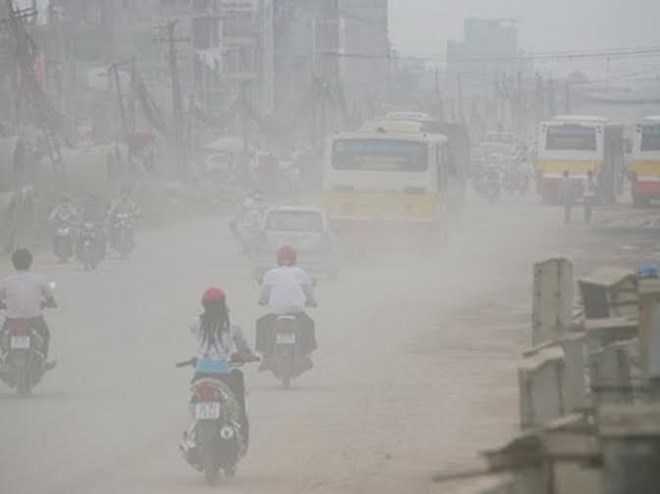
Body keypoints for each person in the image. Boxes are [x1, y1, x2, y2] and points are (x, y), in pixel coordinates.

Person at [189, 287, 256, 444]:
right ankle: (242, 437)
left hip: (200, 375)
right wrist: (248, 357)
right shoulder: (233, 326)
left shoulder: (195, 323)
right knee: (238, 406)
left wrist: (200, 358)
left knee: (194, 400)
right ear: (223, 304)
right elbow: (244, 350)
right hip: (223, 376)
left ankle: (193, 435)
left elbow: (201, 344)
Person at [256, 245, 317, 368]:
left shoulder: (270, 274)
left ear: (277, 259)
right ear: (295, 259)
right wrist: (312, 302)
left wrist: (262, 302)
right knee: (309, 324)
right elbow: (308, 292)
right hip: (296, 312)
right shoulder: (300, 272)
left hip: (277, 312)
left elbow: (264, 295)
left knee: (261, 323)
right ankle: (307, 355)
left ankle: (265, 356)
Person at [0, 249, 57, 367]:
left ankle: (3, 359)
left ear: (13, 263)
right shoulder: (40, 279)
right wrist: (50, 303)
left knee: (2, 336)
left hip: (12, 321)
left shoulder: (6, 281)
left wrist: (4, 305)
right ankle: (44, 361)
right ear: (30, 262)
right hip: (34, 319)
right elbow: (50, 299)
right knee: (45, 335)